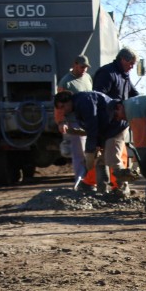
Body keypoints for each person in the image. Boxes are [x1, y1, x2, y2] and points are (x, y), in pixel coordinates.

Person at [53, 90, 128, 193]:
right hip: (106, 129)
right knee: (101, 160)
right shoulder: (77, 105)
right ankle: (103, 190)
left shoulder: (84, 102)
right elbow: (92, 127)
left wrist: (89, 152)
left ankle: (122, 190)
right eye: (59, 108)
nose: (62, 111)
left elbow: (92, 127)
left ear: (69, 101)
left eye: (63, 106)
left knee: (113, 158)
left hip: (116, 126)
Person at [92, 47, 139, 195]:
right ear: (123, 60)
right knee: (113, 156)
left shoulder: (123, 75)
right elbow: (98, 97)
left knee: (109, 155)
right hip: (110, 123)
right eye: (131, 63)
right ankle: (121, 188)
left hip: (119, 123)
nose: (132, 66)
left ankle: (105, 188)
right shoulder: (107, 73)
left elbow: (134, 94)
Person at [55, 55, 93, 190]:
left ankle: (90, 180)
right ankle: (80, 181)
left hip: (89, 120)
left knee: (91, 152)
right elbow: (59, 105)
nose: (84, 70)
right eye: (82, 67)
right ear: (75, 64)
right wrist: (61, 122)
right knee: (80, 153)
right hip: (74, 121)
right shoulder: (66, 82)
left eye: (86, 67)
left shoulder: (87, 78)